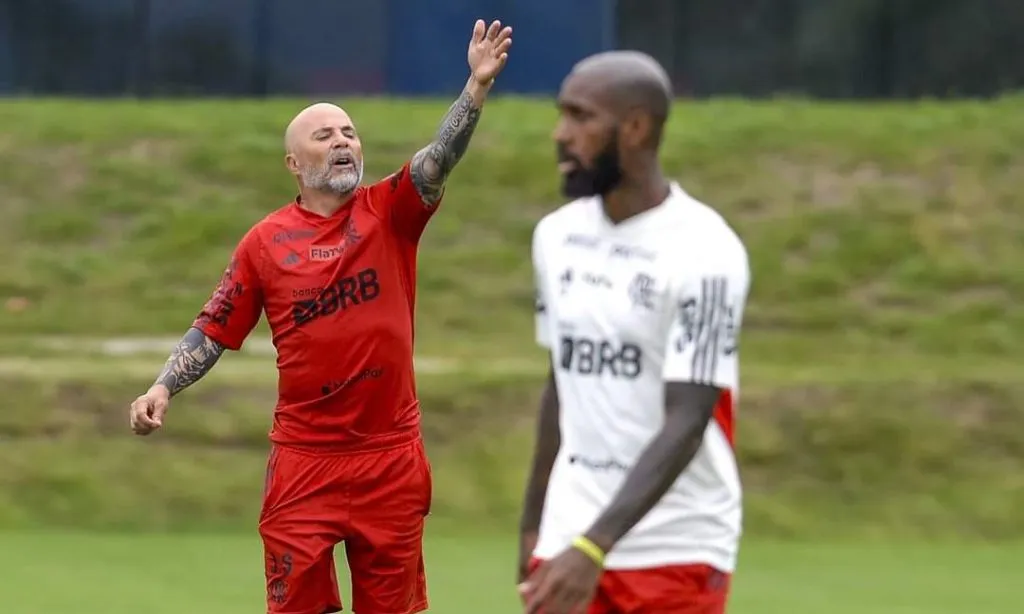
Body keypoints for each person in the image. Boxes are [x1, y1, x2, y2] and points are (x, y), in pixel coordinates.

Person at [127, 19, 512, 614]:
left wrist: (476, 88)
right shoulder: (265, 243)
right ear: (292, 162)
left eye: (349, 133)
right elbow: (214, 326)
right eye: (324, 134)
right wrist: (163, 385)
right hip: (305, 462)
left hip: (390, 456)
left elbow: (439, 159)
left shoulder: (391, 212)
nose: (342, 142)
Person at [517, 50, 750, 614]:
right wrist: (534, 525)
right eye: (562, 115)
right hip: (567, 538)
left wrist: (594, 546)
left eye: (581, 117)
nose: (561, 134)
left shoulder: (705, 249)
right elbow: (561, 385)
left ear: (637, 128)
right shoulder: (556, 237)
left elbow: (689, 418)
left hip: (675, 547)